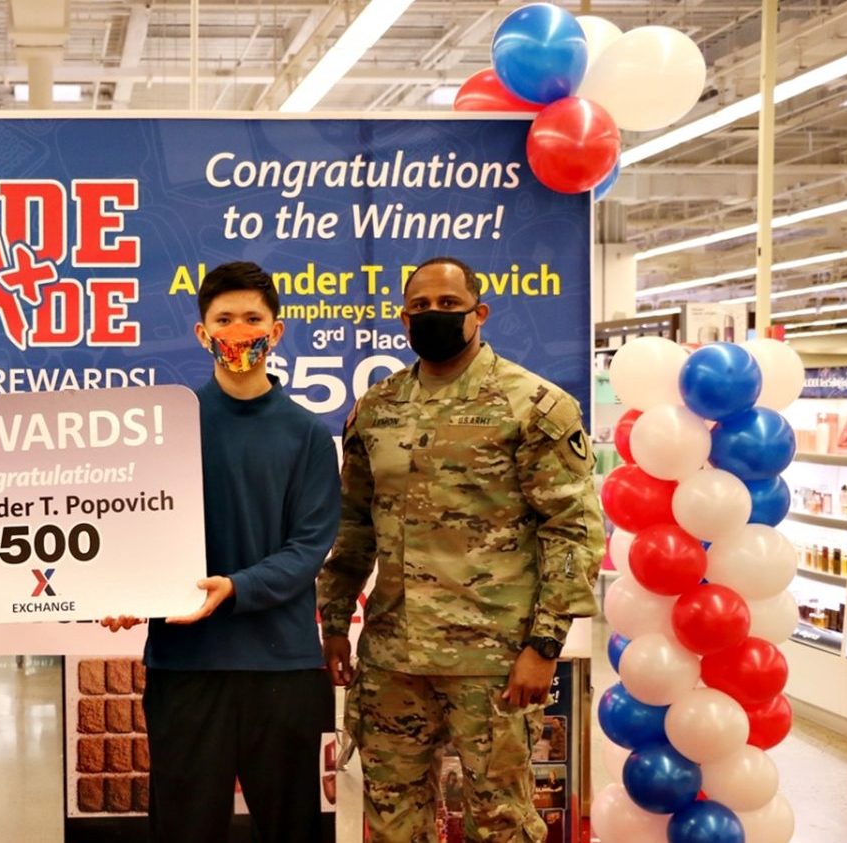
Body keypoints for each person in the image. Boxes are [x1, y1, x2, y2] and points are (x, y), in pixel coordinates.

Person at [318, 256, 602, 842]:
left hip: (493, 661)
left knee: (499, 822)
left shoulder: (533, 406)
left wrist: (545, 644)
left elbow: (571, 528)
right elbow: (353, 525)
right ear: (403, 319)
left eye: (448, 305)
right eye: (420, 307)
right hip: (393, 656)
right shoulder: (378, 408)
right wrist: (334, 621)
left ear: (480, 312)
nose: (434, 315)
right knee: (392, 819)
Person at [103, 261, 340, 842]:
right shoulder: (160, 429)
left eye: (253, 319)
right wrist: (119, 592)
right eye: (224, 320)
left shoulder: (306, 433)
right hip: (186, 665)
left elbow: (309, 547)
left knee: (293, 828)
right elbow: (126, 530)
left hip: (280, 667)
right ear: (203, 333)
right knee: (185, 828)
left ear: (277, 331)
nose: (239, 332)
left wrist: (235, 588)